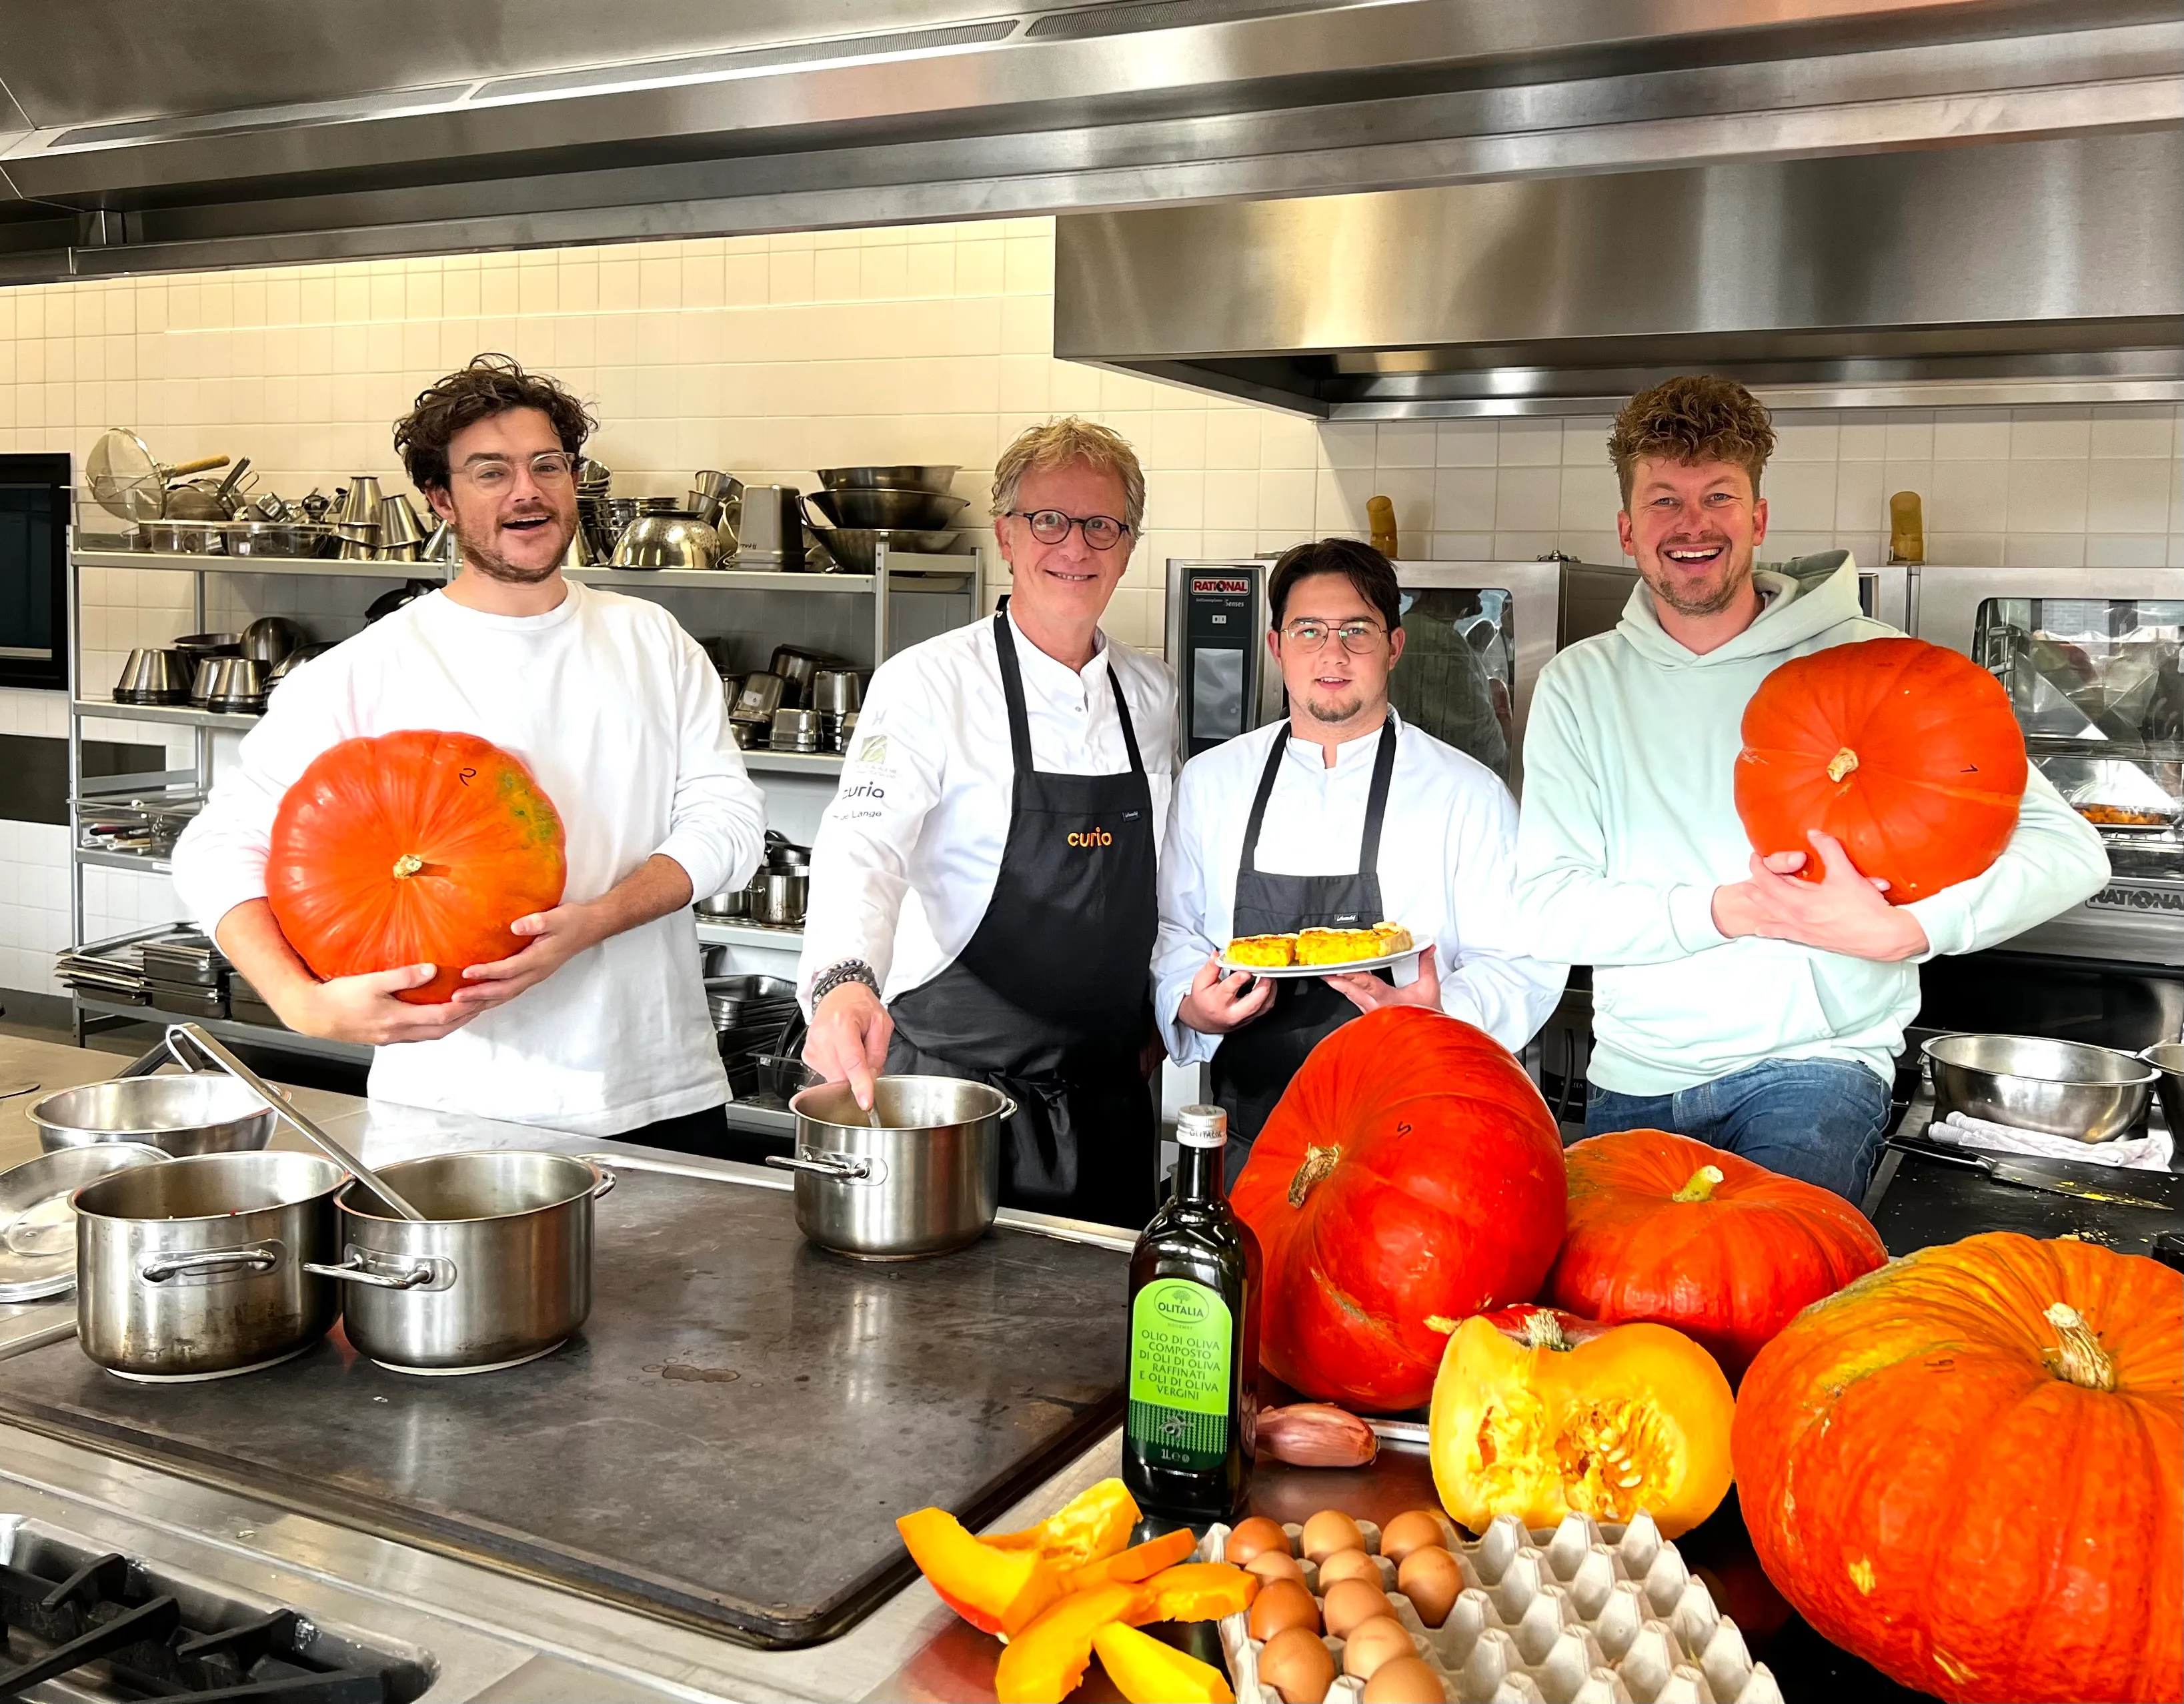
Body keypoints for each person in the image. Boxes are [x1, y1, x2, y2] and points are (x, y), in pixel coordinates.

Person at [1514, 374, 2108, 1201]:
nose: (1691, 524)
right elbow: (1546, 906)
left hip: (1815, 1066)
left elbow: (2070, 850)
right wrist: (1729, 910)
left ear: (1757, 519)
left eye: (1718, 496)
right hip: (1636, 1072)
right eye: (1663, 501)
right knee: (1615, 1287)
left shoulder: (1870, 660)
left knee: (1779, 1276)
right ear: (1626, 529)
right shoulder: (1578, 684)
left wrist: (1910, 929)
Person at [171, 355, 766, 1149]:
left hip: (656, 1084)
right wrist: (300, 1001)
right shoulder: (364, 670)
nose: (527, 491)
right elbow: (217, 847)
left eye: (547, 464)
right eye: (491, 472)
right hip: (453, 1103)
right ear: (441, 500)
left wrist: (595, 920)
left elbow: (728, 822)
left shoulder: (651, 639)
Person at [798, 418, 1177, 1229]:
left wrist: (1161, 1005)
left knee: (1104, 1301)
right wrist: (842, 981)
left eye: (1101, 525)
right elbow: (863, 847)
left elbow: (1165, 876)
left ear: (1127, 547)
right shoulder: (926, 684)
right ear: (1006, 535)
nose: (1074, 546)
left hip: (1111, 1100)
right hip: (955, 1095)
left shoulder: (1151, 695)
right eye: (1049, 520)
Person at [1156, 538, 1564, 1177]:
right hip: (1251, 1144)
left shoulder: (1466, 793)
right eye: (1308, 630)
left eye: (1356, 630)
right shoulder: (1212, 783)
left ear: (1394, 646)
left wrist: (1438, 1018)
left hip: (1413, 1148)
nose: (1332, 653)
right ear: (1276, 647)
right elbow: (1174, 930)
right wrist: (1191, 1004)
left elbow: (1522, 958)